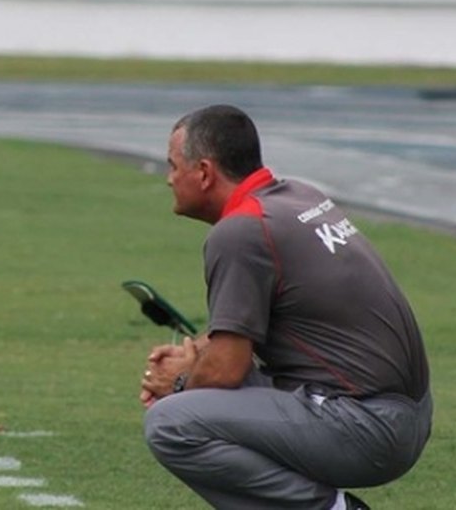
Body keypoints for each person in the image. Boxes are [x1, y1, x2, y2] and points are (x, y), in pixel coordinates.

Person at [140, 105, 432, 510]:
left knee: (171, 423)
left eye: (173, 166)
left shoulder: (240, 231)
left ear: (204, 173)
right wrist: (195, 355)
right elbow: (235, 340)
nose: (169, 178)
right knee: (202, 397)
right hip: (406, 413)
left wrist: (177, 384)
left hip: (368, 427)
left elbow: (225, 369)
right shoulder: (298, 196)